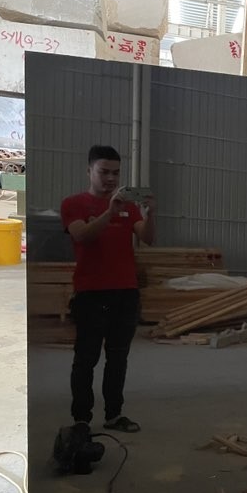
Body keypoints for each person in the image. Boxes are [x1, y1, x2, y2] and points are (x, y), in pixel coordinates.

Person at [60, 145, 155, 434]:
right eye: (104, 172)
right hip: (91, 293)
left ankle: (114, 414)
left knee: (118, 358)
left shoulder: (130, 207)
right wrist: (110, 213)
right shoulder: (74, 204)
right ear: (89, 171)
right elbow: (82, 236)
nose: (111, 179)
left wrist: (150, 214)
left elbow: (148, 238)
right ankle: (81, 419)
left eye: (116, 173)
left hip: (125, 292)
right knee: (86, 359)